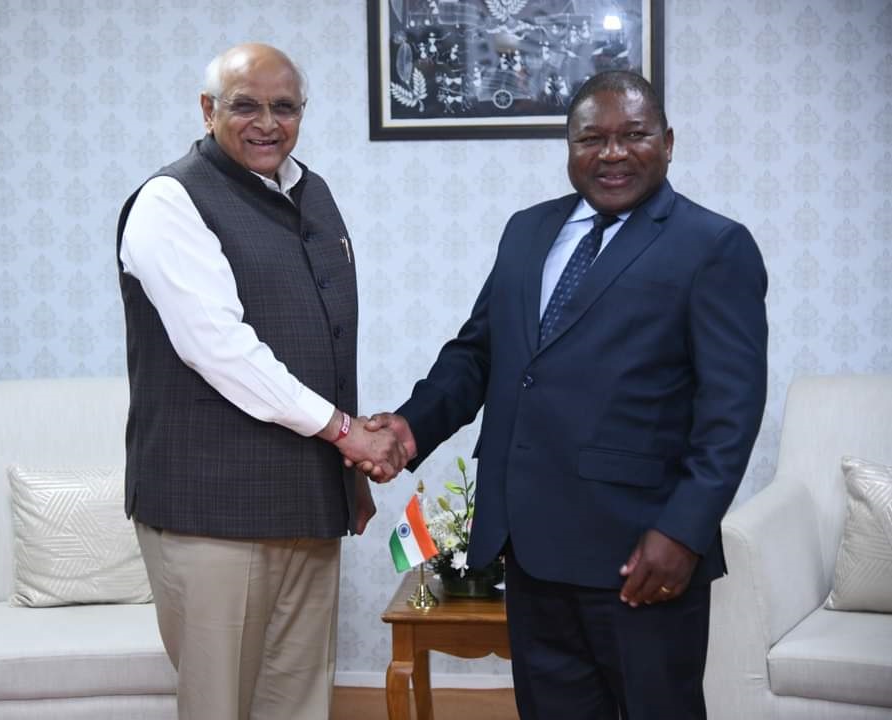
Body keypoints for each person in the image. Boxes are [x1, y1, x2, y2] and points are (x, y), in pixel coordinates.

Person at [362, 71, 768, 719]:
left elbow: (731, 411)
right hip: (529, 546)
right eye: (591, 139)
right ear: (569, 146)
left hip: (639, 554)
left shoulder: (712, 246)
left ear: (667, 142)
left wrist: (683, 532)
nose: (612, 153)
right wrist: (411, 429)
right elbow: (478, 353)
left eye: (633, 135)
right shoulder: (527, 231)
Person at [115, 43, 407, 720]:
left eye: (285, 107)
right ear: (207, 109)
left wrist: (348, 473)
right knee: (220, 704)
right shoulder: (170, 199)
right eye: (245, 105)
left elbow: (328, 344)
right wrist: (347, 434)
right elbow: (220, 350)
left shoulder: (313, 192)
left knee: (299, 700)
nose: (267, 123)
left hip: (308, 500)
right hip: (212, 511)